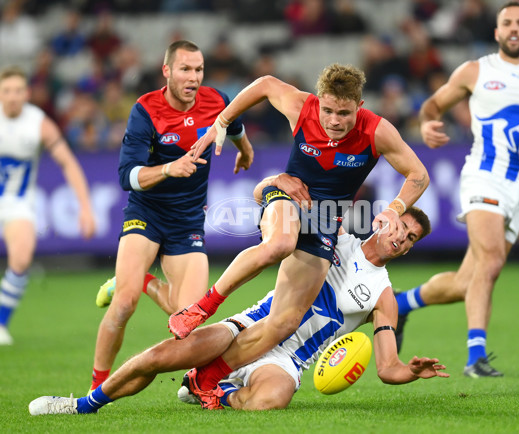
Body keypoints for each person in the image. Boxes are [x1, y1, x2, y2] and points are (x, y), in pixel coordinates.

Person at [167, 63, 429, 407]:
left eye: (345, 113)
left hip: (324, 221)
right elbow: (264, 83)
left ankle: (210, 380)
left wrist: (394, 209)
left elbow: (418, 174)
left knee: (286, 321)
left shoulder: (376, 131)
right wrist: (222, 122)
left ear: (360, 106)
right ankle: (202, 307)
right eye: (329, 110)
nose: (335, 120)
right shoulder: (301, 106)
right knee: (279, 243)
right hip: (289, 197)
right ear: (318, 101)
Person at [28, 206, 449, 415]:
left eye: (411, 239)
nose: (403, 240)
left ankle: (211, 388)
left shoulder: (383, 294)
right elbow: (280, 226)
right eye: (402, 228)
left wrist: (412, 371)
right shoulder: (334, 239)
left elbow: (387, 366)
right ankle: (82, 405)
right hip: (249, 326)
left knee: (271, 401)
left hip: (287, 359)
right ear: (382, 220)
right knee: (158, 357)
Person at [393, 1, 519, 377]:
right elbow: (433, 104)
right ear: (496, 32)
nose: (513, 28)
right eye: (506, 22)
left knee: (468, 282)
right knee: (490, 262)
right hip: (482, 176)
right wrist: (427, 124)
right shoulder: (476, 71)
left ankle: (401, 303)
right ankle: (476, 357)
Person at [87, 40, 254, 392]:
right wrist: (168, 169)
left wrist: (246, 150)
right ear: (167, 71)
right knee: (123, 304)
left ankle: (144, 280)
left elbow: (233, 126)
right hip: (146, 214)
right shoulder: (146, 110)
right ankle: (97, 386)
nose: (193, 78)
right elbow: (126, 176)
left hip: (188, 220)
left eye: (198, 70)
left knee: (187, 323)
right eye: (185, 70)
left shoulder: (217, 100)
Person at [0, 66, 96, 345]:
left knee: (21, 258)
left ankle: (1, 323)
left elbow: (68, 163)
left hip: (18, 202)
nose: (13, 97)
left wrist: (85, 207)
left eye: (19, 91)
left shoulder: (38, 123)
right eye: (7, 91)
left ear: (27, 93)